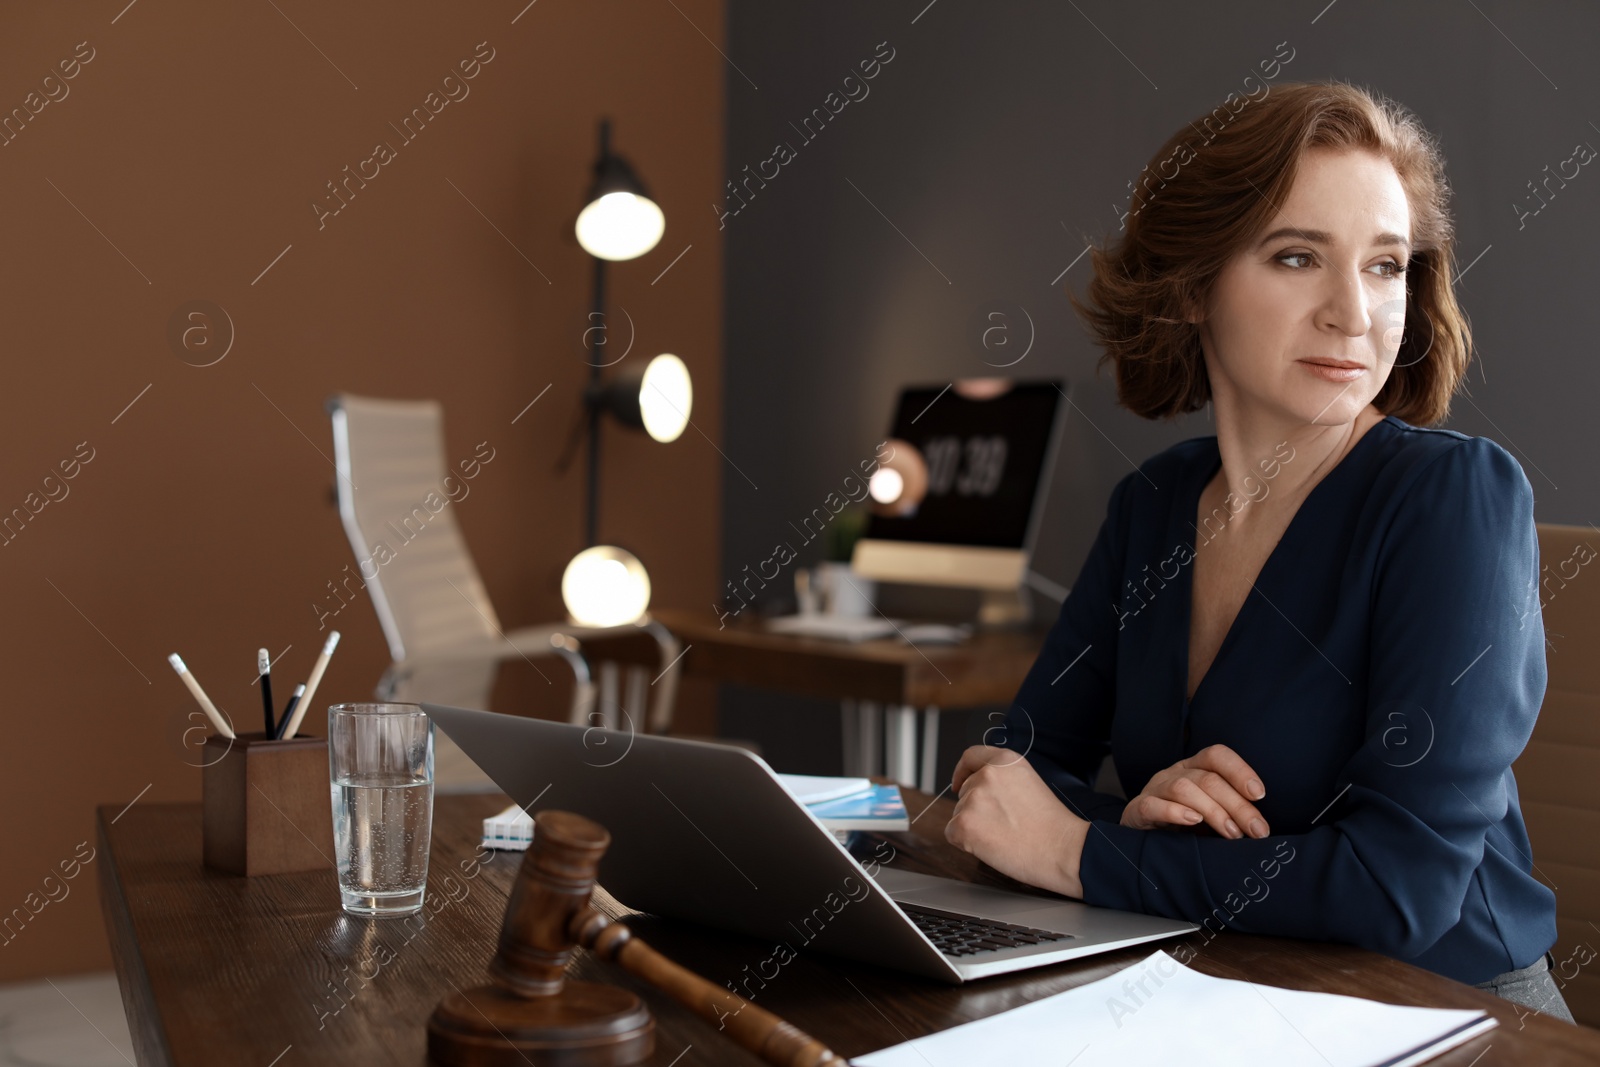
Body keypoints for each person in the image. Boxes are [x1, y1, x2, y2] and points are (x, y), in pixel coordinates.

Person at [943, 80, 1574, 1022]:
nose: (1353, 314)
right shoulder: (1153, 505)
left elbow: (1397, 890)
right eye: (1296, 256)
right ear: (1193, 285)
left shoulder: (1454, 500)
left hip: (1449, 1013)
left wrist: (1081, 848)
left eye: (1387, 266)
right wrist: (1134, 816)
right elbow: (1004, 781)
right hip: (1228, 986)